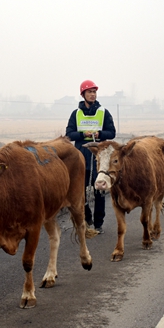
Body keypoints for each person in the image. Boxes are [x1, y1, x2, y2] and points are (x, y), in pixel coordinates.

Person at [65, 79, 116, 235]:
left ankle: (99, 222)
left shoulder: (104, 112)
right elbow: (69, 134)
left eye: (94, 92)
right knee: (79, 190)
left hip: (98, 156)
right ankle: (87, 218)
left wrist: (99, 134)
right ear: (83, 94)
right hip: (80, 154)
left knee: (99, 188)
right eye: (89, 92)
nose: (92, 94)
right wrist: (83, 134)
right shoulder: (76, 114)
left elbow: (112, 132)